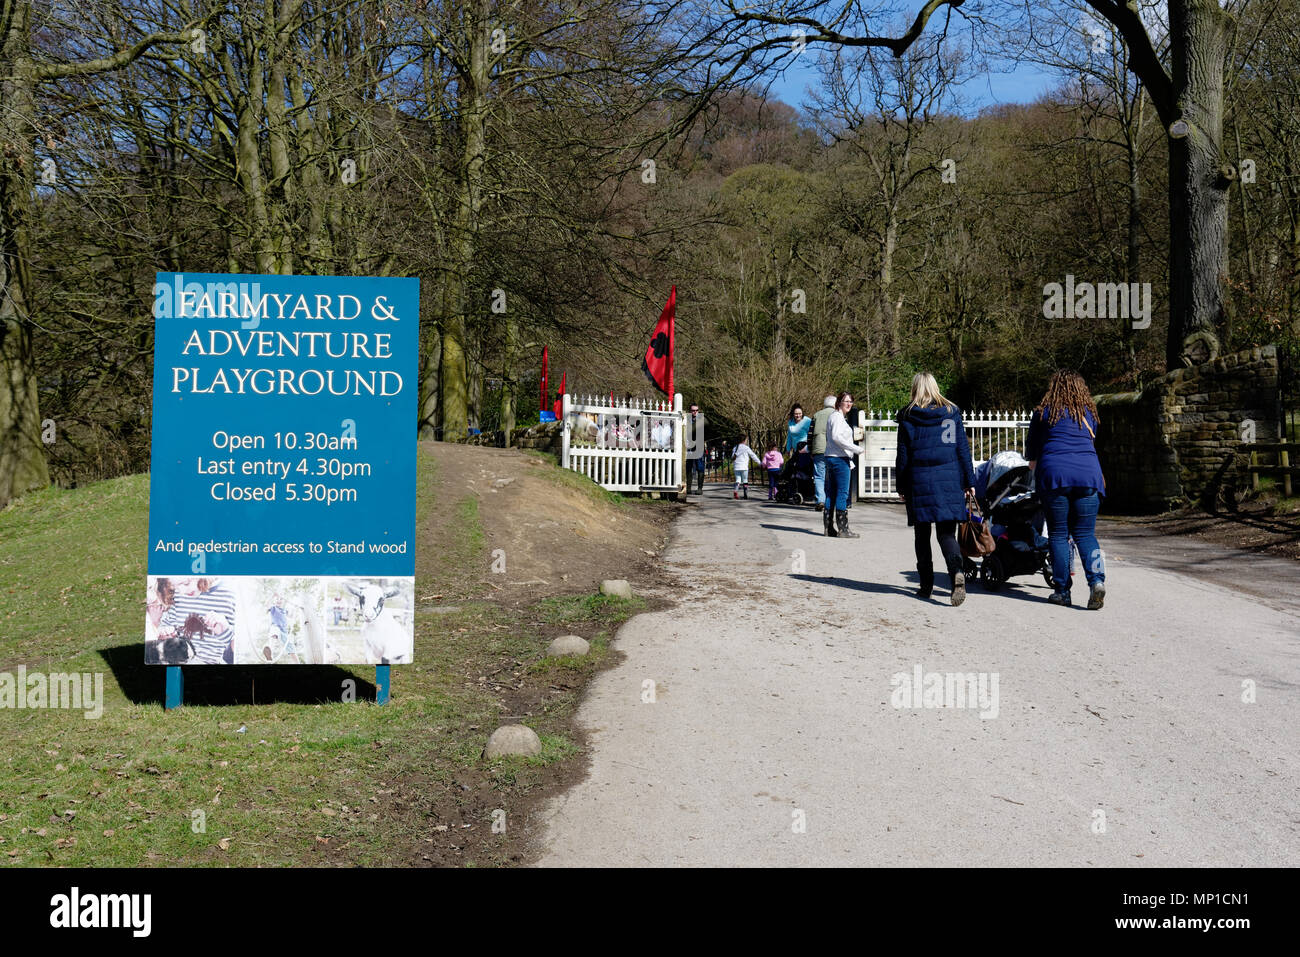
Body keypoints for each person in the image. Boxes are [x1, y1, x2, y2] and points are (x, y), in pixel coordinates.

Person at [1026, 370, 1107, 609]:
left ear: (1053, 388)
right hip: (1088, 476)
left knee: (1059, 534)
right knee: (1086, 535)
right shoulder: (1089, 413)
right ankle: (1097, 582)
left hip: (1055, 476)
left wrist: (1034, 465)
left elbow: (1032, 450)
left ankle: (1062, 591)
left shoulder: (1043, 412)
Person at [895, 373, 976, 606]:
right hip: (949, 479)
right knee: (946, 534)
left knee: (922, 535)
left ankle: (926, 586)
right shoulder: (951, 413)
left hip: (919, 480)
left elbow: (903, 455)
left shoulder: (909, 416)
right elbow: (962, 450)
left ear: (915, 389)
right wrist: (969, 481)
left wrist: (901, 484)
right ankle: (956, 572)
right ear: (935, 387)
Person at [823, 393, 864, 537]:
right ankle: (843, 529)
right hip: (839, 459)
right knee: (842, 493)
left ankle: (829, 528)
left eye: (851, 401)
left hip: (833, 457)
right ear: (839, 402)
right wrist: (856, 449)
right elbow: (836, 436)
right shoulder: (837, 417)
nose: (849, 404)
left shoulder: (836, 417)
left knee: (832, 493)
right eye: (846, 401)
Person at [809, 395, 836, 511]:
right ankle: (831, 501)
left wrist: (810, 448)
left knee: (819, 476)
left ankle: (821, 500)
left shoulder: (816, 415)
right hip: (833, 449)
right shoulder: (837, 415)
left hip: (818, 449)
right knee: (832, 476)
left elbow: (809, 435)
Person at [686, 403, 706, 494]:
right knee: (688, 467)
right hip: (689, 447)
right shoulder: (686, 420)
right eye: (693, 410)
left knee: (700, 467)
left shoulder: (702, 420)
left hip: (699, 446)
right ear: (690, 411)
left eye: (696, 410)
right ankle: (688, 488)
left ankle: (700, 488)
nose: (694, 412)